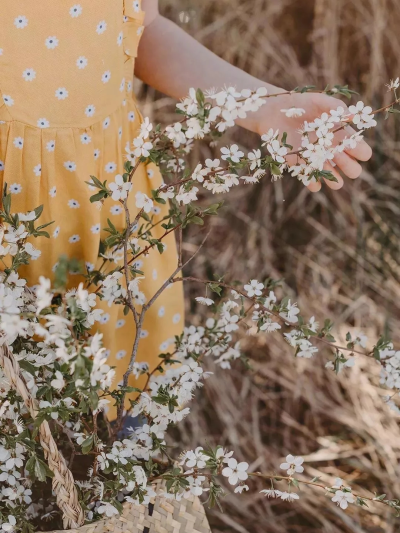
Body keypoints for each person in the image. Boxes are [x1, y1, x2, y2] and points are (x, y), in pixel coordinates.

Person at [0, 0, 371, 419]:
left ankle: (103, 462)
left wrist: (264, 104)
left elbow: (145, 31)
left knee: (110, 393)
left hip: (110, 202)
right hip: (12, 200)